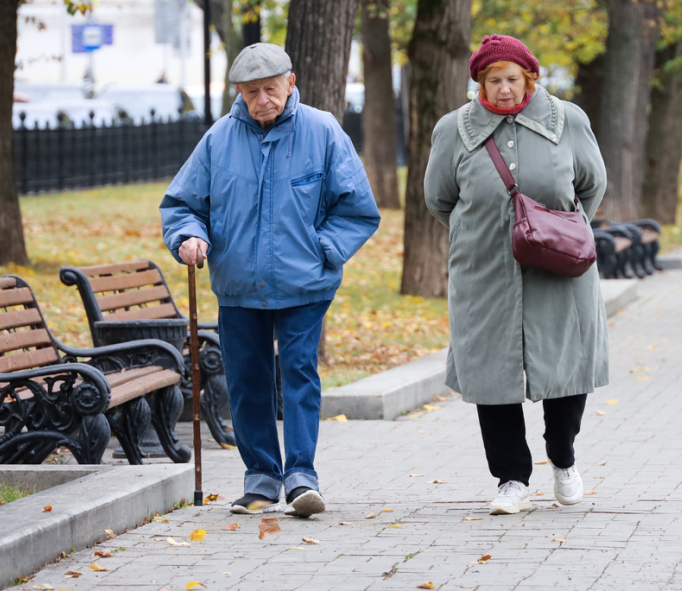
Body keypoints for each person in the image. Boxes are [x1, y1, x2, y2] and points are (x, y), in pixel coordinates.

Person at [160, 44, 380, 517]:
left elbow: (358, 209)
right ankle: (260, 479)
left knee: (299, 375)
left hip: (305, 284)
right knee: (247, 381)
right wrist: (188, 237)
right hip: (239, 285)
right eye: (253, 92)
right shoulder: (220, 139)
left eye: (272, 89)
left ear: (291, 82)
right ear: (239, 92)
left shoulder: (322, 131)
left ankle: (301, 479)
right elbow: (183, 205)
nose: (264, 100)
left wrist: (325, 250)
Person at [423, 35, 608, 515]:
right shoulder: (454, 129)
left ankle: (563, 459)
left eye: (511, 79)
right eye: (492, 80)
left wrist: (553, 232)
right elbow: (439, 198)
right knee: (491, 371)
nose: (503, 90)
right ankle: (511, 479)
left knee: (566, 365)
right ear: (478, 83)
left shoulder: (567, 120)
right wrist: (485, 232)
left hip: (559, 266)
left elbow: (591, 185)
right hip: (483, 268)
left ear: (529, 78)